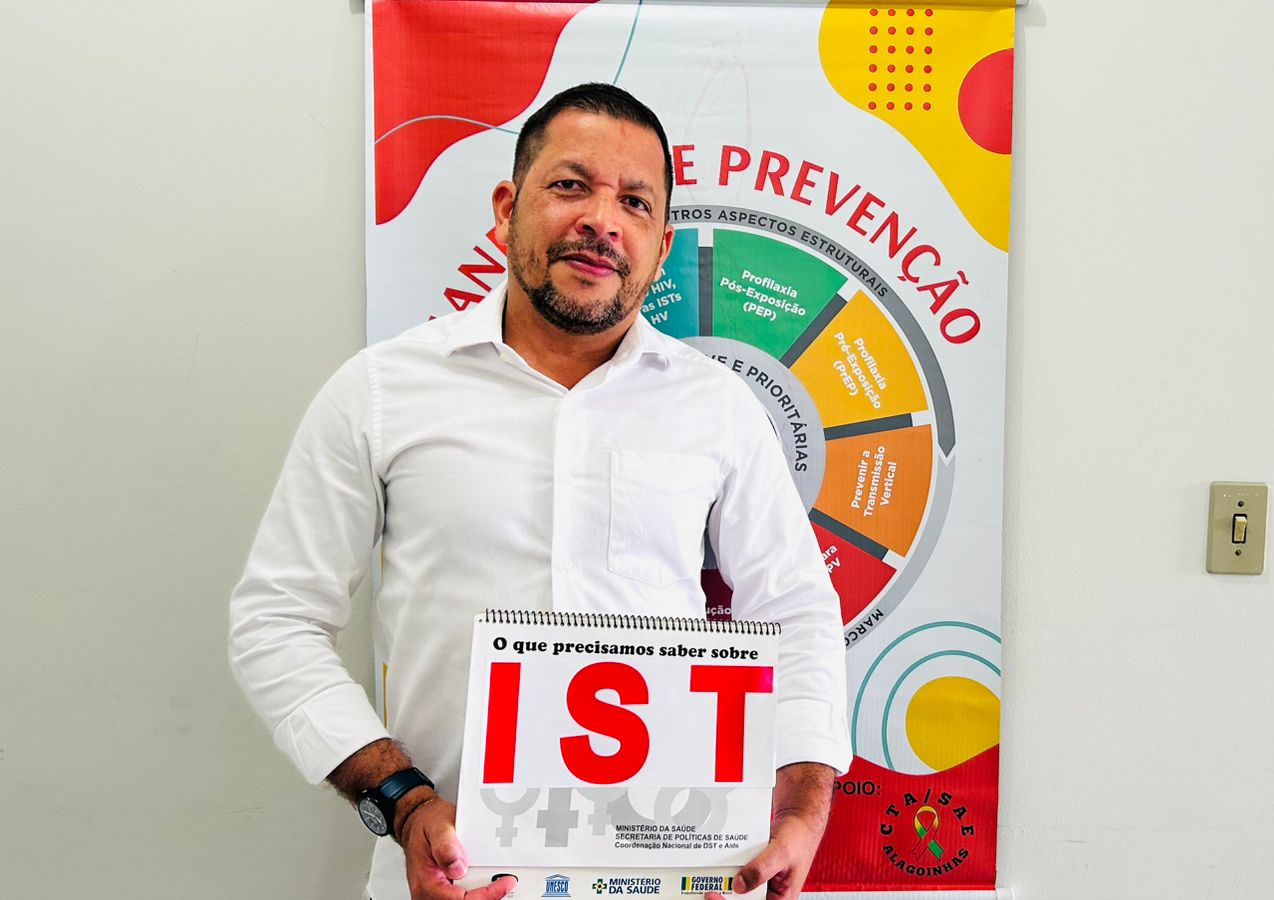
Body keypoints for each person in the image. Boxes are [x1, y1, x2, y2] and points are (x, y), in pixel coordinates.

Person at [229, 83, 849, 900]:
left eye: (634, 202)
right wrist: (402, 802)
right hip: (449, 875)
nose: (602, 220)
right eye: (570, 185)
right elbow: (275, 621)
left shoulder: (718, 407)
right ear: (506, 208)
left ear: (661, 246)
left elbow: (796, 608)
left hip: (669, 878)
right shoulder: (379, 392)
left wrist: (801, 809)